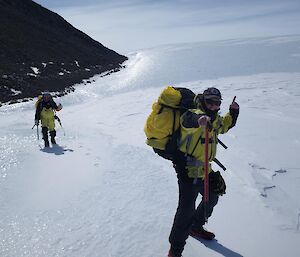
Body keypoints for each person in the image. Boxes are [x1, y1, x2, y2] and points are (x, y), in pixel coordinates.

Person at [168, 87, 239, 257]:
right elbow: (187, 120)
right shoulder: (194, 113)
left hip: (204, 168)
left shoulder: (214, 119)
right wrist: (200, 119)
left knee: (213, 195)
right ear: (203, 101)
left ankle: (196, 227)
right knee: (186, 210)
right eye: (210, 102)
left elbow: (225, 125)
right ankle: (175, 251)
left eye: (217, 103)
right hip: (188, 169)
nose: (214, 106)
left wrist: (233, 113)